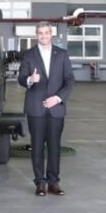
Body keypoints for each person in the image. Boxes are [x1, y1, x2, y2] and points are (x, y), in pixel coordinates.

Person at [17, 21, 74, 197]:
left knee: (55, 147)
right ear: (37, 35)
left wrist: (57, 99)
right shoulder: (28, 55)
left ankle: (53, 183)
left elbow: (69, 80)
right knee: (37, 146)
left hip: (55, 108)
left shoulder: (62, 55)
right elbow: (21, 78)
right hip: (36, 108)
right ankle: (40, 183)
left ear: (51, 34)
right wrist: (30, 80)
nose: (43, 36)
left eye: (46, 33)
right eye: (40, 33)